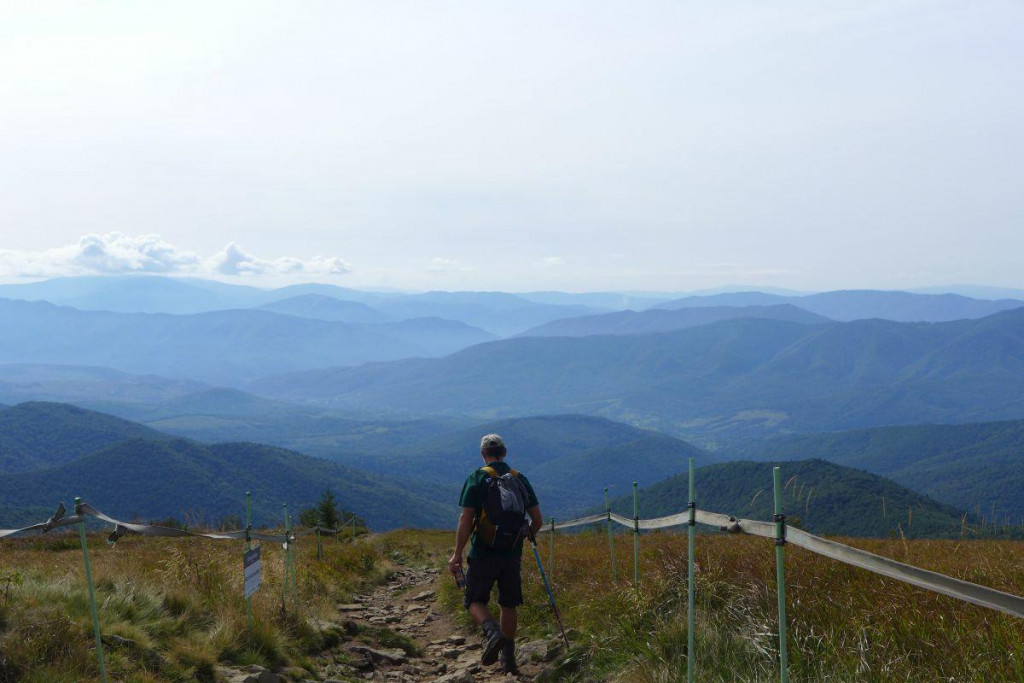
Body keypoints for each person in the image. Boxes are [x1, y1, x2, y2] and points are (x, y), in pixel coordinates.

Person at [448, 433, 543, 675]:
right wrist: (521, 537)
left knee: (474, 600)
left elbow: (466, 518)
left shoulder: (477, 477)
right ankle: (509, 663)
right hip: (512, 554)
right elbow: (538, 520)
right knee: (509, 603)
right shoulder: (519, 479)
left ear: (483, 455)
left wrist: (457, 553)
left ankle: (492, 632)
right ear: (505, 452)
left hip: (483, 551)